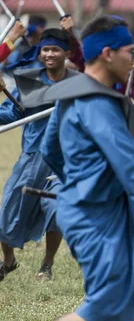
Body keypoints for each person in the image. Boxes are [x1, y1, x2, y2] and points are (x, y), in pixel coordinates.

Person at [40, 15, 134, 320]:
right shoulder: (98, 102)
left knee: (131, 306)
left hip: (103, 210)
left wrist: (76, 182)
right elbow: (130, 169)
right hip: (95, 216)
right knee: (104, 306)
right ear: (107, 53)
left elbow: (50, 150)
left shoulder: (70, 92)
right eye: (128, 51)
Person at [0, 28, 77, 282]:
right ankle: (9, 261)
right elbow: (11, 114)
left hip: (64, 162)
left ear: (66, 53)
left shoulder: (78, 84)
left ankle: (47, 263)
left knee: (55, 210)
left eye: (55, 49)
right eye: (46, 49)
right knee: (6, 213)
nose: (50, 54)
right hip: (31, 159)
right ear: (41, 53)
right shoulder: (28, 81)